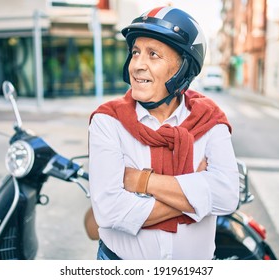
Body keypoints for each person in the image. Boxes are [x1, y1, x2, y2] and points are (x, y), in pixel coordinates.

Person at [87, 6, 239, 260]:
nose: (137, 65)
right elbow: (109, 212)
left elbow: (226, 197)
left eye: (153, 55)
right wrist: (196, 194)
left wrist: (142, 182)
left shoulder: (210, 120)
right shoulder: (107, 121)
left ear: (183, 68)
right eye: (135, 53)